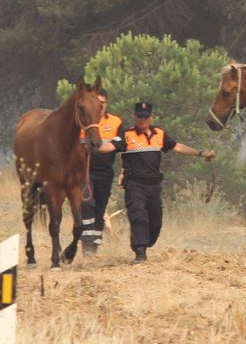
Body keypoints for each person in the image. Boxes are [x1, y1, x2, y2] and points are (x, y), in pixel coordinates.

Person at [113, 100, 215, 263]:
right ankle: (140, 253)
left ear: (151, 117)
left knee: (156, 223)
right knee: (138, 216)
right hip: (134, 184)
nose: (143, 119)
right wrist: (94, 146)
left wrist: (201, 153)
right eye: (140, 116)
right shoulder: (127, 134)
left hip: (154, 186)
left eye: (146, 116)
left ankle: (147, 242)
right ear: (134, 116)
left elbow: (178, 147)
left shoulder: (159, 134)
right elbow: (110, 147)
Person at [78, 88, 123, 253]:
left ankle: (95, 243)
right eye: (97, 102)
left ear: (107, 103)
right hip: (85, 170)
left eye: (102, 103)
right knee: (87, 204)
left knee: (100, 208)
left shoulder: (116, 122)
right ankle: (87, 242)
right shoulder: (85, 122)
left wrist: (101, 147)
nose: (100, 106)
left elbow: (120, 143)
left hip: (106, 170)